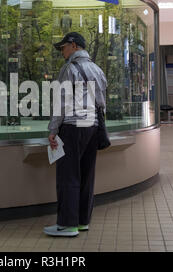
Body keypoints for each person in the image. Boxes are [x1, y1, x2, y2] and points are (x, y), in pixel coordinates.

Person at [44, 32, 107, 237]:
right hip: (92, 126)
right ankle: (82, 221)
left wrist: (53, 130)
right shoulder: (97, 69)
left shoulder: (69, 68)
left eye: (63, 47)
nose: (62, 52)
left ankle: (67, 224)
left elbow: (61, 102)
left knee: (68, 176)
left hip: (72, 127)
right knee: (87, 175)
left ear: (73, 46)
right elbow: (101, 103)